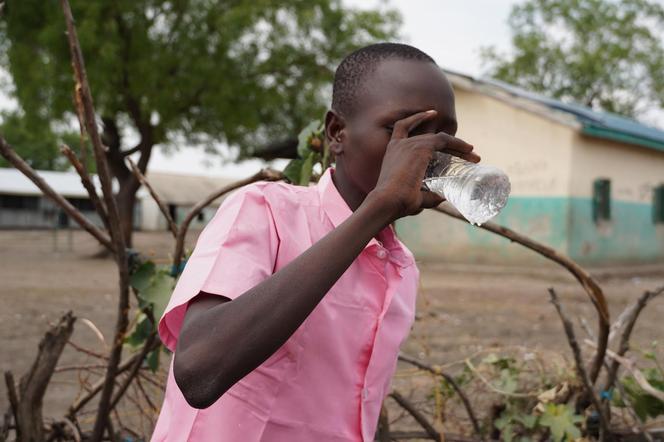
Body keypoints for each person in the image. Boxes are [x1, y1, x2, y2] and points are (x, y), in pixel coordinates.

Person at [151, 42, 479, 441]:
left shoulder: (400, 267)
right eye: (404, 131)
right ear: (337, 133)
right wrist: (376, 208)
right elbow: (199, 371)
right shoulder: (264, 211)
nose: (427, 151)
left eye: (444, 135)